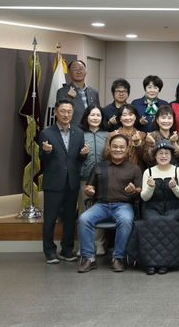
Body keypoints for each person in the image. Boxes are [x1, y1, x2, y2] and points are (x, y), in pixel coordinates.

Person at [77, 134, 141, 273]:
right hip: (101, 205)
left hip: (123, 205)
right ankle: (89, 258)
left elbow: (139, 192)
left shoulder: (134, 168)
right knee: (84, 219)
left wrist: (133, 191)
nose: (118, 149)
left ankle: (118, 258)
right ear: (109, 148)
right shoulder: (99, 166)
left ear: (127, 149)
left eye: (121, 147)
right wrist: (89, 190)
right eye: (115, 146)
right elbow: (90, 187)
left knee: (125, 220)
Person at [39, 99, 87, 264]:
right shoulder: (47, 133)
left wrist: (83, 154)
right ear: (55, 113)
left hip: (72, 182)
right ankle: (49, 251)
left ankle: (67, 249)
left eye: (69, 112)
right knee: (50, 218)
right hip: (53, 182)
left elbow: (78, 159)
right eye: (63, 111)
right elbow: (42, 159)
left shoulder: (78, 133)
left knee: (69, 218)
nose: (66, 114)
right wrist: (46, 152)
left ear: (72, 114)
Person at [132, 140, 179, 275]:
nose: (163, 156)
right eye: (160, 153)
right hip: (152, 206)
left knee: (169, 221)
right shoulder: (148, 172)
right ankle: (150, 263)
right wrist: (150, 187)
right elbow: (144, 197)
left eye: (167, 154)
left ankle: (165, 263)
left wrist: (174, 187)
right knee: (151, 222)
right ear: (155, 156)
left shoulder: (178, 170)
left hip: (175, 206)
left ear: (171, 156)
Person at [78, 105, 108, 257]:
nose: (95, 118)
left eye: (98, 115)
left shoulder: (108, 134)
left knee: (100, 211)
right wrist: (82, 155)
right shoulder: (79, 134)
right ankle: (84, 245)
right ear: (86, 117)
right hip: (84, 177)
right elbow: (73, 157)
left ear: (102, 118)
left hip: (103, 179)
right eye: (92, 115)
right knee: (84, 212)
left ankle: (99, 244)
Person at [56, 59, 100, 131]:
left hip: (91, 131)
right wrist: (68, 98)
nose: (78, 71)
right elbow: (60, 114)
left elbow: (98, 112)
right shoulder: (62, 92)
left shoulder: (94, 92)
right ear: (69, 73)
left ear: (85, 72)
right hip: (72, 131)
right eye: (75, 69)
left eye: (81, 69)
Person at [104, 104, 147, 171]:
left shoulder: (142, 135)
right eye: (124, 115)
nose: (128, 118)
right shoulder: (113, 134)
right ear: (120, 118)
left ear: (135, 117)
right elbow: (106, 156)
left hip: (137, 173)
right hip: (117, 173)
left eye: (130, 114)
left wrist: (137, 144)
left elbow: (145, 158)